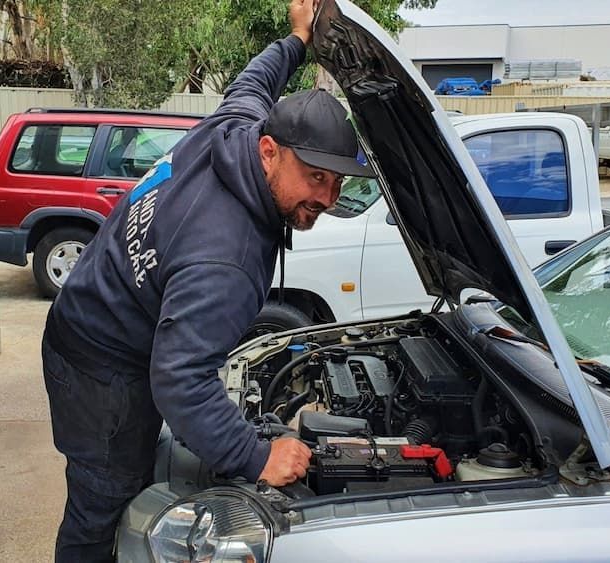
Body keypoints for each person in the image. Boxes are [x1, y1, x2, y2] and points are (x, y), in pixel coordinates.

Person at [40, 1, 374, 560]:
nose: (326, 198)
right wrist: (257, 456)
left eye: (336, 182)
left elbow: (253, 80)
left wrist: (296, 40)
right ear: (270, 152)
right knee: (101, 500)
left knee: (129, 474)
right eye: (314, 178)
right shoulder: (228, 260)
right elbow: (179, 380)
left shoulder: (235, 128)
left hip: (94, 315)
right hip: (99, 367)